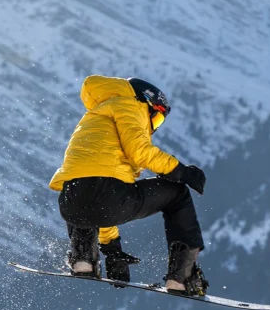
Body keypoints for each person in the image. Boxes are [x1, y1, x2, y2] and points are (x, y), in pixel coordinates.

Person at [49, 75, 209, 294]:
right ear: (149, 103)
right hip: (109, 197)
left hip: (70, 205)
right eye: (159, 119)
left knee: (84, 192)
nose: (155, 127)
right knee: (178, 194)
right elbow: (139, 150)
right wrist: (182, 172)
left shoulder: (94, 116)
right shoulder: (131, 105)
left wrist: (112, 250)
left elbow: (97, 194)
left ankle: (83, 260)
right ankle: (181, 278)